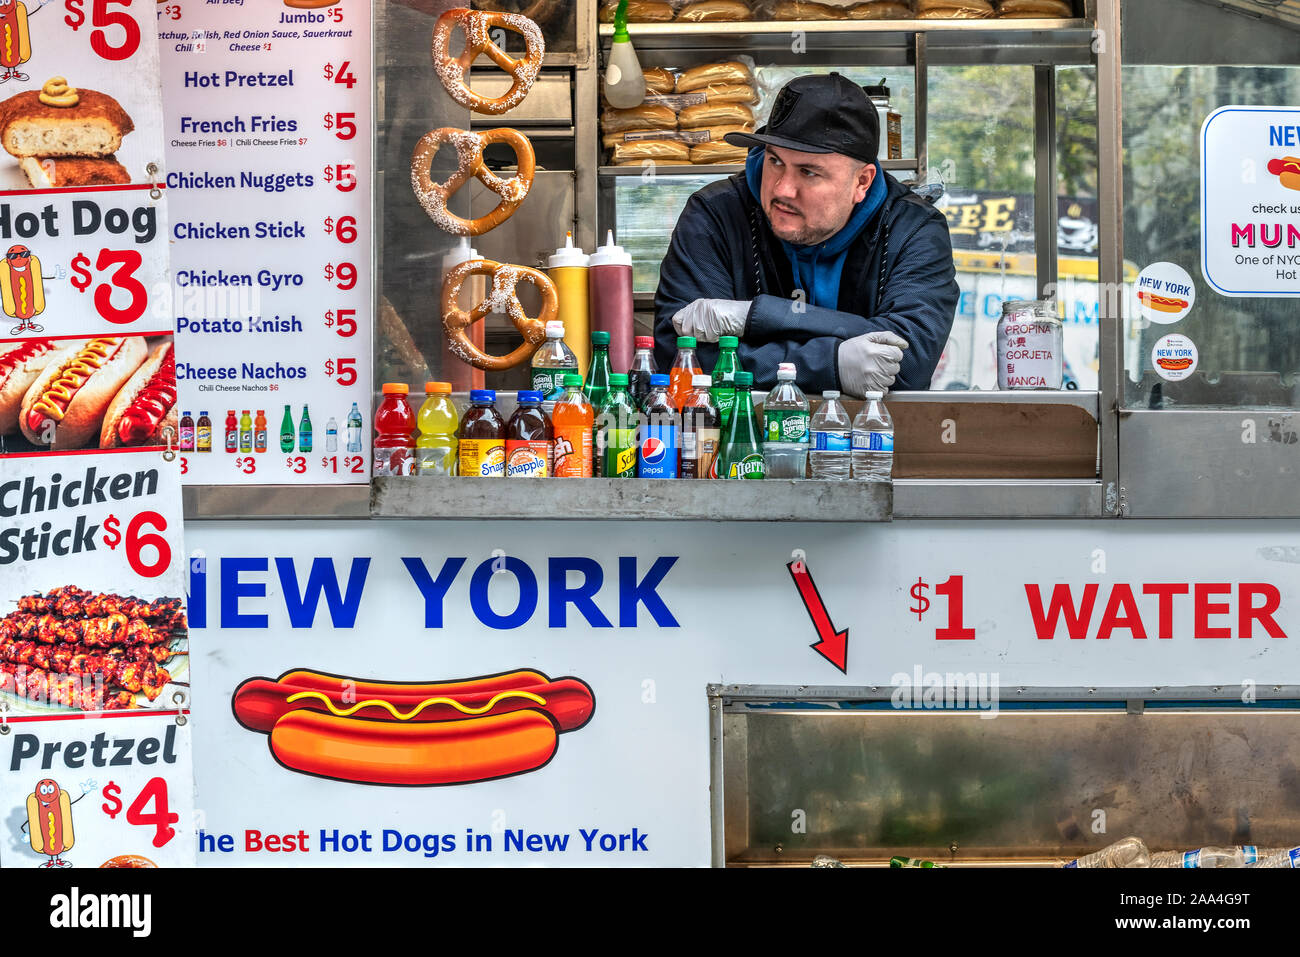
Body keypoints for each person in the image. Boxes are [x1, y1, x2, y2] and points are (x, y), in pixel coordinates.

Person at [655, 72, 959, 396]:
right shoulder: (715, 214)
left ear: (862, 183)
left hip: (876, 439)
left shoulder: (914, 230)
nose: (782, 188)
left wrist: (754, 316)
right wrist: (829, 364)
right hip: (738, 439)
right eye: (775, 161)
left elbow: (907, 360)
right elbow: (681, 359)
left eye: (808, 171)